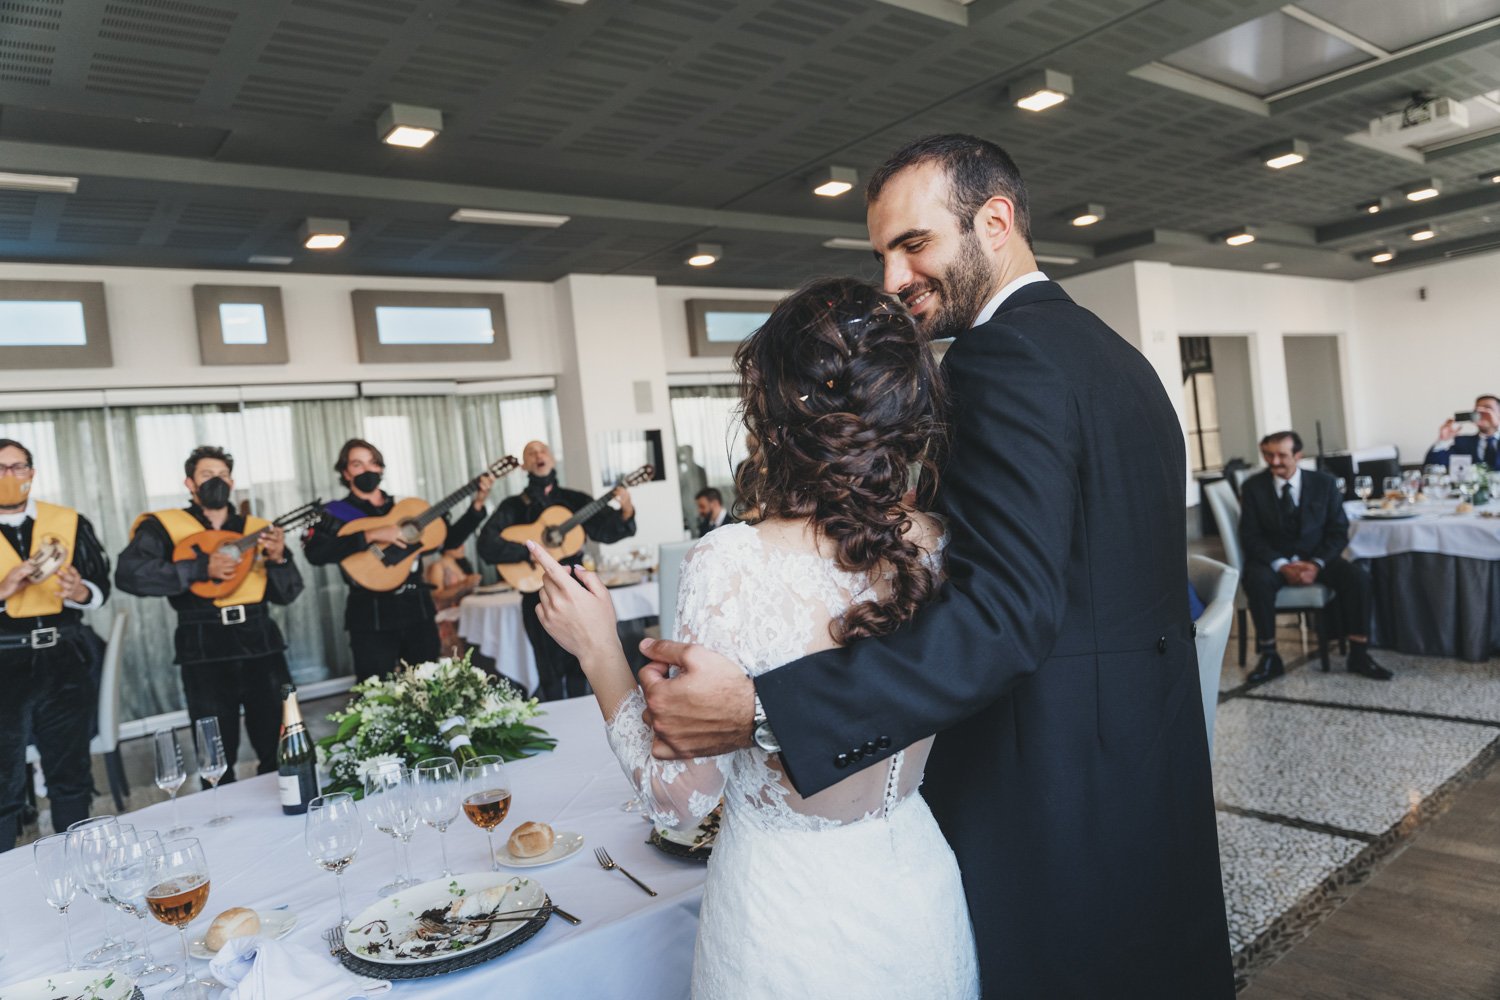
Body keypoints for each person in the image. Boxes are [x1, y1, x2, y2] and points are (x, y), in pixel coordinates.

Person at [632, 134, 1232, 997]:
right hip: (1141, 766)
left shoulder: (999, 361)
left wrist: (771, 708)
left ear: (995, 221)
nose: (894, 278)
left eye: (914, 245)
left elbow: (1005, 616)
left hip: (1052, 789)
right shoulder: (1115, 357)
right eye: (882, 253)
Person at [530, 278, 977, 998]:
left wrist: (597, 648)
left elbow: (681, 800)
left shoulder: (731, 562)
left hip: (785, 915)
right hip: (917, 881)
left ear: (772, 411)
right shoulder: (938, 544)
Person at [116, 445, 302, 782]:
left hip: (261, 642)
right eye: (206, 475)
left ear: (232, 482)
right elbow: (130, 574)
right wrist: (201, 567)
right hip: (203, 645)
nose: (215, 481)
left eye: (222, 475)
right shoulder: (165, 526)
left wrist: (280, 560)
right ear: (189, 483)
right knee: (214, 751)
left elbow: (288, 592)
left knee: (279, 740)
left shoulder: (257, 527)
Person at [303, 439, 490, 682]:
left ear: (381, 468)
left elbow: (447, 540)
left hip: (417, 608)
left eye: (372, 463)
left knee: (427, 686)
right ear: (345, 472)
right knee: (375, 692)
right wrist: (370, 535)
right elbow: (315, 554)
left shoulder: (405, 509)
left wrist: (477, 505)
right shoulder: (334, 513)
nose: (367, 470)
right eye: (357, 464)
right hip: (369, 613)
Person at [0, 439, 109, 851]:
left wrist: (81, 591)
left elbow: (101, 583)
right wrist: (3, 588)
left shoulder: (68, 521)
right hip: (3, 660)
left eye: (18, 467)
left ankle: (80, 865)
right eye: (0, 469)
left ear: (32, 472)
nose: (10, 476)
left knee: (71, 774)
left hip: (63, 656)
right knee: (3, 783)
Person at [475, 440, 637, 700]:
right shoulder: (513, 506)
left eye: (543, 451)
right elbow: (486, 545)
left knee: (582, 664)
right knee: (548, 667)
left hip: (577, 590)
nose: (539, 455)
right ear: (525, 465)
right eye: (531, 453)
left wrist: (626, 507)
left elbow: (608, 531)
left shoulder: (575, 501)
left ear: (552, 459)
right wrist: (530, 552)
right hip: (536, 593)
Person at [1241, 430, 1391, 683]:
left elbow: (1338, 531)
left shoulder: (1324, 483)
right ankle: (1269, 656)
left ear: (1298, 455)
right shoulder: (1253, 488)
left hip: (1318, 558)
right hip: (1274, 560)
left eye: (1281, 455)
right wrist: (1282, 564)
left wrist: (1315, 564)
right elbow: (1250, 536)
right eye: (1268, 455)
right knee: (1256, 580)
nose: (1274, 461)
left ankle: (1359, 653)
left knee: (1358, 579)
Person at [427, 544, 480, 658]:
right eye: (457, 544)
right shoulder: (437, 566)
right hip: (447, 619)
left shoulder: (459, 564)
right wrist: (464, 583)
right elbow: (436, 594)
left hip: (462, 616)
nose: (462, 547)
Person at [1424, 394, 1500, 469]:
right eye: (1477, 410)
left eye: (1488, 408)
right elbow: (1432, 465)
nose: (1482, 414)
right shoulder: (1462, 442)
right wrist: (1443, 441)